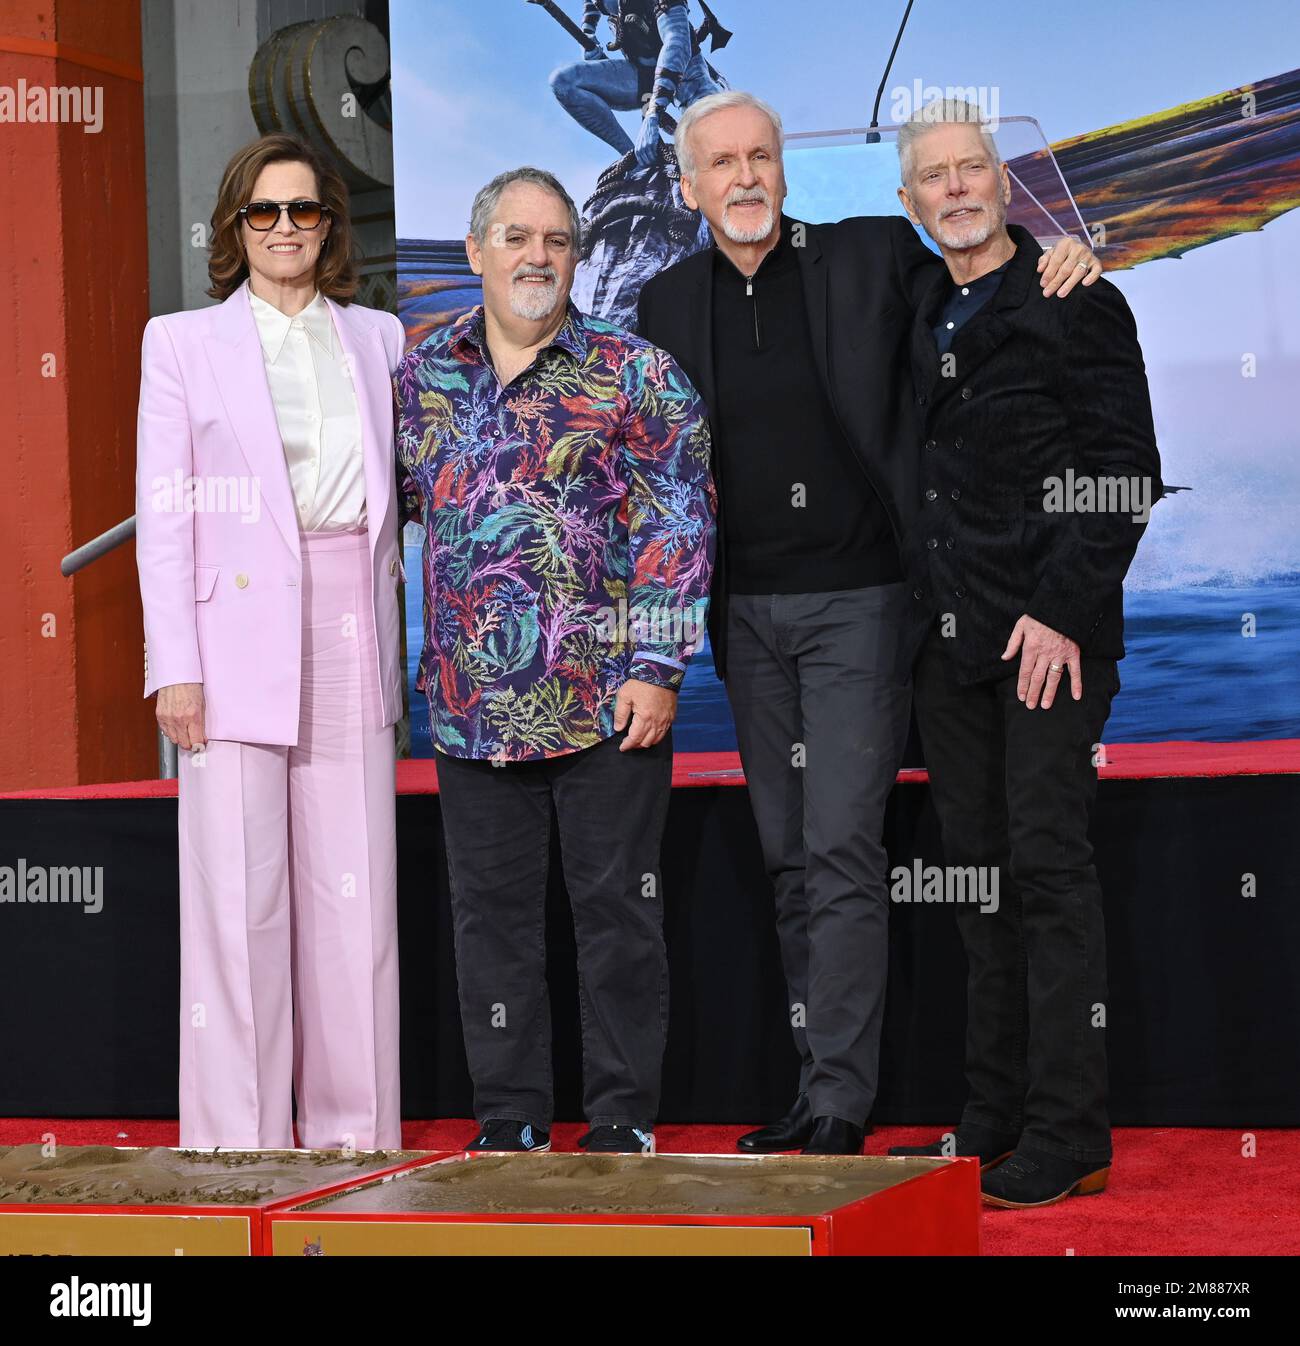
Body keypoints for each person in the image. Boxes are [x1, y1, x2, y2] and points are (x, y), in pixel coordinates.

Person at [637, 90, 1101, 1155]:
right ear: (689, 185)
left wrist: (1059, 251)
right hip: (742, 617)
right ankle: (817, 1084)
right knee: (788, 856)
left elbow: (981, 262)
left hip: (863, 603)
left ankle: (840, 1103)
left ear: (784, 171)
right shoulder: (664, 306)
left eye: (762, 155)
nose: (746, 176)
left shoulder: (868, 254)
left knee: (841, 844)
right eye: (723, 162)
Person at [395, 167, 715, 1154]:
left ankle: (621, 1116)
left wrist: (657, 665)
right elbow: (384, 513)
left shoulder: (636, 372)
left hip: (607, 698)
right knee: (490, 921)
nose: (538, 256)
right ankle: (511, 1117)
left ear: (575, 257)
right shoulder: (419, 375)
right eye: (518, 236)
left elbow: (678, 518)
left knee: (615, 916)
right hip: (469, 704)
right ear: (478, 248)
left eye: (557, 241)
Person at [885, 100, 1162, 1207]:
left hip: (1050, 635)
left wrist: (1057, 611)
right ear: (908, 201)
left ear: (1004, 181)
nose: (954, 187)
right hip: (950, 645)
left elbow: (1124, 471)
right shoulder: (913, 301)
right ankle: (989, 1117)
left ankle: (1067, 1130)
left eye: (971, 168)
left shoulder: (1075, 298)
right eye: (932, 175)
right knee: (979, 882)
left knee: (1045, 873)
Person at [136, 133, 407, 1149]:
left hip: (348, 621)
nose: (285, 229)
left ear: (329, 224)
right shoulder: (180, 344)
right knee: (237, 903)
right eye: (263, 212)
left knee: (357, 902)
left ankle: (358, 1145)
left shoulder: (380, 339)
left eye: (303, 210)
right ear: (234, 227)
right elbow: (166, 517)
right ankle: (238, 1147)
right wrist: (177, 667)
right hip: (229, 634)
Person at [550, 0, 723, 166]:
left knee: (719, 135)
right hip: (641, 74)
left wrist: (653, 114)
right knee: (564, 82)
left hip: (687, 72)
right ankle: (635, 161)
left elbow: (676, 43)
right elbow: (592, 5)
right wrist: (588, 36)